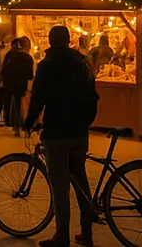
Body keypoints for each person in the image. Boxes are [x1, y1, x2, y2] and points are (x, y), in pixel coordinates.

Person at [23, 26, 100, 247]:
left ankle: (62, 236)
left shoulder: (47, 65)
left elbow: (38, 98)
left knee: (60, 186)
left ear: (50, 41)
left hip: (57, 130)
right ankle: (87, 233)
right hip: (79, 129)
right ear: (68, 40)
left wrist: (29, 123)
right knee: (80, 181)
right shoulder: (81, 61)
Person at [1, 37, 35, 135]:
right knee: (18, 104)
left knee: (13, 103)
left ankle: (13, 124)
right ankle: (18, 125)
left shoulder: (10, 54)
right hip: (21, 83)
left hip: (10, 82)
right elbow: (30, 74)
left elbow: (4, 69)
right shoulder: (27, 57)